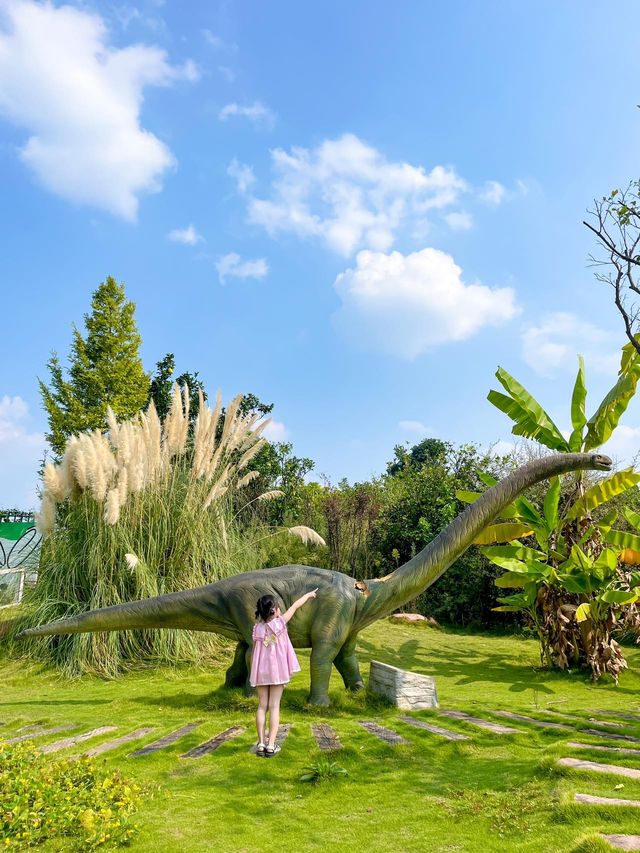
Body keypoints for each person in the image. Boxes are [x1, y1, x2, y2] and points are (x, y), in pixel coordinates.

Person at [250, 588, 318, 757]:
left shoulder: (257, 629)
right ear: (275, 610)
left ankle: (260, 744)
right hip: (277, 672)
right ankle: (271, 745)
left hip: (261, 672)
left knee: (261, 706)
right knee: (274, 707)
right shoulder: (280, 623)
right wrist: (308, 595)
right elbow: (295, 606)